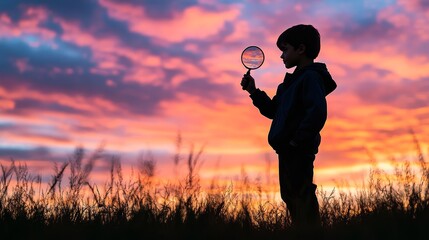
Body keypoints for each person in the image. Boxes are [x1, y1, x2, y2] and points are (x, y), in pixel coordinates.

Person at [241, 24, 337, 228]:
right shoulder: (288, 85)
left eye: (285, 50)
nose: (281, 56)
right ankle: (303, 232)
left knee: (301, 194)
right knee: (291, 195)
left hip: (297, 149)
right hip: (286, 149)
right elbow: (273, 111)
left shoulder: (310, 78)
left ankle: (311, 234)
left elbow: (317, 112)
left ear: (300, 49)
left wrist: (296, 141)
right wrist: (253, 91)